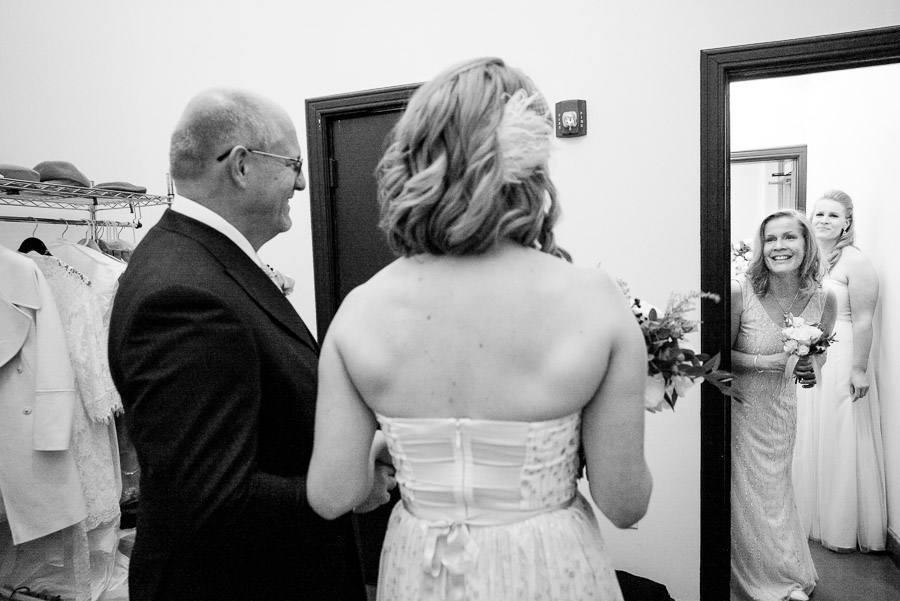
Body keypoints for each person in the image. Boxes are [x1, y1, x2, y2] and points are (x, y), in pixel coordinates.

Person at [306, 57, 652, 601]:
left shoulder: (360, 309)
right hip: (548, 565)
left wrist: (388, 445)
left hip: (422, 570)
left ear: (414, 160)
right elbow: (625, 503)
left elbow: (332, 494)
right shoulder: (592, 300)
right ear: (531, 163)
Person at [108, 88, 391, 601]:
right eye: (292, 163)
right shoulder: (184, 295)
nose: (302, 182)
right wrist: (340, 491)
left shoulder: (200, 261)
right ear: (241, 166)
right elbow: (214, 498)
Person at [730, 209, 836, 601]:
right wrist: (763, 363)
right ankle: (756, 581)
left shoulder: (825, 298)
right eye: (771, 239)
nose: (779, 246)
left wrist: (811, 367)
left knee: (775, 492)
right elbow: (716, 358)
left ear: (806, 243)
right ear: (762, 248)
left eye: (789, 237)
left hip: (780, 412)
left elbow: (819, 353)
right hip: (739, 412)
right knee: (746, 497)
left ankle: (783, 571)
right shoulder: (742, 292)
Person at [792, 189, 887, 553]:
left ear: (847, 222)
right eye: (819, 214)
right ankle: (807, 517)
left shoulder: (856, 261)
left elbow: (864, 320)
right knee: (807, 433)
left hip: (843, 350)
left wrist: (859, 368)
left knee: (839, 431)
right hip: (808, 351)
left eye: (833, 215)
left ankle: (839, 523)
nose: (824, 221)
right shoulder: (807, 258)